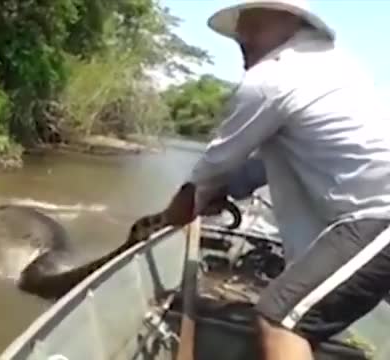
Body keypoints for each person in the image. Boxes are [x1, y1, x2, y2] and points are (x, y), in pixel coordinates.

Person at [163, 0, 390, 359]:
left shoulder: (271, 78)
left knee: (280, 318)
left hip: (378, 218)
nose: (243, 35)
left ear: (291, 23)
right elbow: (266, 166)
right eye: (242, 25)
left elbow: (208, 172)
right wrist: (225, 189)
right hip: (370, 219)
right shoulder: (331, 65)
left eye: (256, 24)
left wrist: (164, 221)